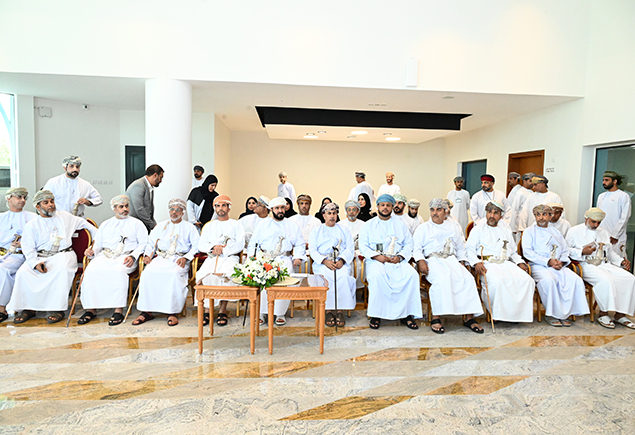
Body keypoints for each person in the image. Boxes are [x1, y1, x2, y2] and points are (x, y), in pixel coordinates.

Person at [11, 190, 96, 324]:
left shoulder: (65, 217)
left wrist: (94, 246)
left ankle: (57, 309)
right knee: (23, 272)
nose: (51, 205)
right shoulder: (32, 224)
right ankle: (28, 308)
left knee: (60, 269)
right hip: (40, 257)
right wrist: (35, 263)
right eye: (46, 202)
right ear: (38, 206)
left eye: (52, 201)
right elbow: (28, 247)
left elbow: (89, 227)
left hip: (63, 254)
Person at [413, 199, 484, 334]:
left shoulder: (453, 227)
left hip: (452, 260)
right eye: (432, 210)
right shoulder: (423, 228)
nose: (435, 213)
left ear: (445, 212)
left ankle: (469, 318)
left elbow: (460, 247)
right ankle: (436, 317)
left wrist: (462, 261)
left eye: (438, 210)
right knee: (442, 279)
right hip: (432, 261)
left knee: (467, 279)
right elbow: (416, 248)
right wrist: (420, 260)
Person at [77, 195, 148, 326]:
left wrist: (133, 256)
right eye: (121, 207)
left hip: (126, 257)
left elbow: (144, 244)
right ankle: (91, 309)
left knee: (118, 271)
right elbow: (98, 244)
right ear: (114, 209)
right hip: (106, 255)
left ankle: (118, 310)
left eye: (126, 206)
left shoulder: (137, 224)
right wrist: (92, 251)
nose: (125, 209)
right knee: (91, 271)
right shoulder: (106, 224)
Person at [133, 198, 200, 327]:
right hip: (161, 258)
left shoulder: (189, 228)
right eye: (172, 209)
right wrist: (147, 255)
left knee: (173, 274)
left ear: (182, 212)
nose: (174, 212)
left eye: (177, 210)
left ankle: (172, 312)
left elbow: (196, 246)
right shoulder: (161, 226)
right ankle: (147, 311)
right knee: (147, 273)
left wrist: (186, 258)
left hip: (179, 259)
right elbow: (151, 243)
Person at [359, 194, 421, 330]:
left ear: (392, 207)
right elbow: (363, 245)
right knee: (377, 276)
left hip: (397, 261)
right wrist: (377, 256)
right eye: (382, 205)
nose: (385, 208)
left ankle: (407, 314)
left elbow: (409, 243)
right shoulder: (368, 225)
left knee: (412, 275)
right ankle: (376, 314)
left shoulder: (401, 225)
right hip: (376, 261)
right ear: (378, 207)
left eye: (388, 205)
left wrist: (400, 257)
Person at [466, 201, 535, 323]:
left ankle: (515, 315)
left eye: (496, 213)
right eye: (489, 212)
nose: (492, 215)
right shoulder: (478, 229)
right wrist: (476, 262)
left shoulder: (505, 230)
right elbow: (469, 250)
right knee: (498, 281)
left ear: (501, 216)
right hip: (487, 264)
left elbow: (512, 252)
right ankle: (497, 314)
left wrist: (520, 262)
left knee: (527, 281)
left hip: (506, 263)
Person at [566, 207, 635, 329]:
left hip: (604, 264)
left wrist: (621, 261)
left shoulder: (603, 232)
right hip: (586, 264)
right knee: (607, 280)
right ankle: (603, 313)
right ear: (586, 218)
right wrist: (582, 252)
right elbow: (566, 251)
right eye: (593, 222)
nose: (596, 225)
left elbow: (610, 253)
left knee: (629, 278)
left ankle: (620, 315)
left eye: (599, 222)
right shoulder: (574, 231)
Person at [521, 204, 589, 326]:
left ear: (550, 216)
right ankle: (551, 314)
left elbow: (565, 250)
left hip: (558, 265)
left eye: (544, 214)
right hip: (539, 265)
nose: (541, 217)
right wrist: (548, 261)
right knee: (549, 280)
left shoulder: (556, 232)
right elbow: (527, 252)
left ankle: (566, 314)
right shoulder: (529, 231)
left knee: (575, 280)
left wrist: (561, 261)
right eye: (538, 215)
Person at [248, 197, 306, 326]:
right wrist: (252, 257)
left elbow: (300, 243)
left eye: (282, 208)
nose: (280, 210)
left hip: (284, 259)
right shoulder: (263, 224)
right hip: (265, 258)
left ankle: (280, 313)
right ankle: (262, 313)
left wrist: (297, 257)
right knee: (262, 280)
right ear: (271, 209)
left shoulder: (292, 225)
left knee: (284, 281)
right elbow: (253, 243)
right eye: (277, 208)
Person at [197, 195, 245, 327]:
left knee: (226, 275)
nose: (221, 208)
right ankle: (207, 310)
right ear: (215, 208)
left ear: (229, 208)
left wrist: (224, 250)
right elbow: (201, 244)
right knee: (206, 275)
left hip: (230, 257)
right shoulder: (209, 226)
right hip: (212, 258)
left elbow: (240, 244)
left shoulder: (236, 224)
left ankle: (222, 310)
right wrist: (213, 247)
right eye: (218, 206)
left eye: (224, 205)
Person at [309, 202, 356, 327]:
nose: (332, 216)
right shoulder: (316, 231)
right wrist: (325, 261)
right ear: (324, 215)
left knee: (343, 277)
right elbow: (312, 250)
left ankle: (340, 311)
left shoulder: (344, 230)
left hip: (340, 263)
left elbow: (350, 248)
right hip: (323, 264)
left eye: (334, 213)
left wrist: (342, 260)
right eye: (329, 213)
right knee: (325, 278)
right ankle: (328, 311)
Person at [0, 188, 36, 323]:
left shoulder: (32, 217)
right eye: (19, 197)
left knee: (3, 269)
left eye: (25, 198)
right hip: (2, 253)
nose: (22, 200)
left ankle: (1, 308)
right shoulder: (1, 217)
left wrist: (24, 244)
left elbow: (39, 238)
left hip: (19, 255)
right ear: (9, 198)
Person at [597, 171, 632, 257]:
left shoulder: (623, 196)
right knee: (601, 259)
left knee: (617, 260)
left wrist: (615, 235)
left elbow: (625, 217)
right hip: (602, 234)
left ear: (615, 181)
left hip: (616, 237)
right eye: (603, 180)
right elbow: (598, 215)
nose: (603, 182)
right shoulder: (601, 196)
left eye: (606, 180)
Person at [126, 164, 164, 232]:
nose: (161, 181)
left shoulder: (149, 186)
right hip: (135, 227)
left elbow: (149, 209)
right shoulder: (138, 185)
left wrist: (154, 224)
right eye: (160, 177)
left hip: (143, 226)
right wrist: (153, 225)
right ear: (155, 175)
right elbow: (139, 209)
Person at [338, 199, 365, 289]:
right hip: (344, 252)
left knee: (361, 263)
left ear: (358, 211)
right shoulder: (340, 224)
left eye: (354, 210)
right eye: (349, 209)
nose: (351, 212)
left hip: (359, 252)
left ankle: (359, 288)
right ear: (346, 211)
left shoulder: (364, 225)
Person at [510, 172, 535, 240]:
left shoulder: (532, 193)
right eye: (530, 181)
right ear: (524, 181)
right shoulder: (520, 193)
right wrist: (514, 227)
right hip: (520, 224)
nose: (532, 183)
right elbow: (515, 209)